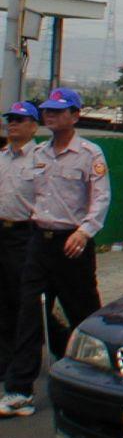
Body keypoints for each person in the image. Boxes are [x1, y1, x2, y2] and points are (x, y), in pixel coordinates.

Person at [0, 88, 110, 418]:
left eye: (58, 111)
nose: (50, 115)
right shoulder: (39, 155)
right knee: (28, 316)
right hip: (38, 242)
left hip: (73, 244)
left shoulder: (90, 153)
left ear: (75, 115)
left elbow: (101, 199)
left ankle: (100, 383)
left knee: (84, 313)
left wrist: (84, 231)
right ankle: (19, 390)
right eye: (47, 110)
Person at [0, 102, 69, 383]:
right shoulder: (2, 156)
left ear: (33, 125)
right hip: (2, 233)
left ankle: (62, 344)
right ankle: (6, 359)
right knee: (3, 300)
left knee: (27, 300)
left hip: (26, 234)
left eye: (19, 119)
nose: (12, 124)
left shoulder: (40, 158)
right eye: (10, 119)